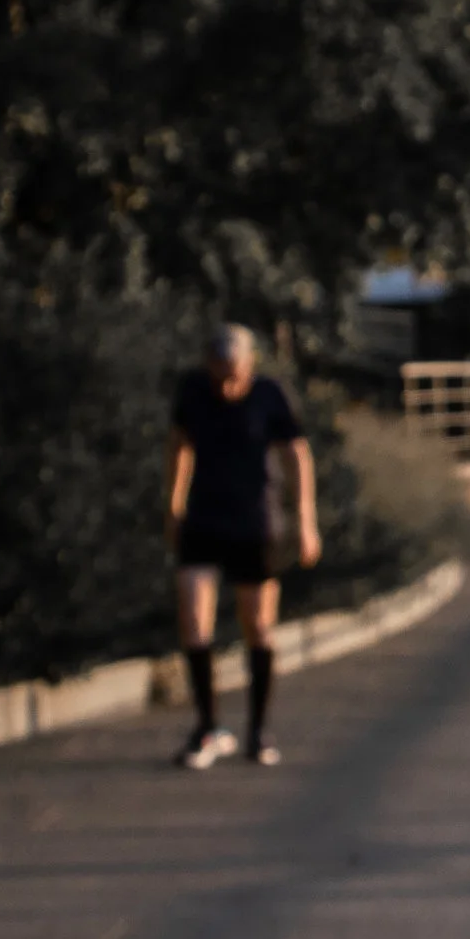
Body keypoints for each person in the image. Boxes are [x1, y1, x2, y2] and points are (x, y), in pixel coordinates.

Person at [163, 324, 319, 769]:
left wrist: (305, 520)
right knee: (194, 620)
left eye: (233, 374)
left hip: (255, 523)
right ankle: (208, 727)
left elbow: (296, 455)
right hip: (203, 520)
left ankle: (258, 729)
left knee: (259, 627)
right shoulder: (193, 391)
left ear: (249, 365)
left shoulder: (270, 395)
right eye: (218, 374)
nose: (226, 384)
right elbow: (179, 446)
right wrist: (172, 505)